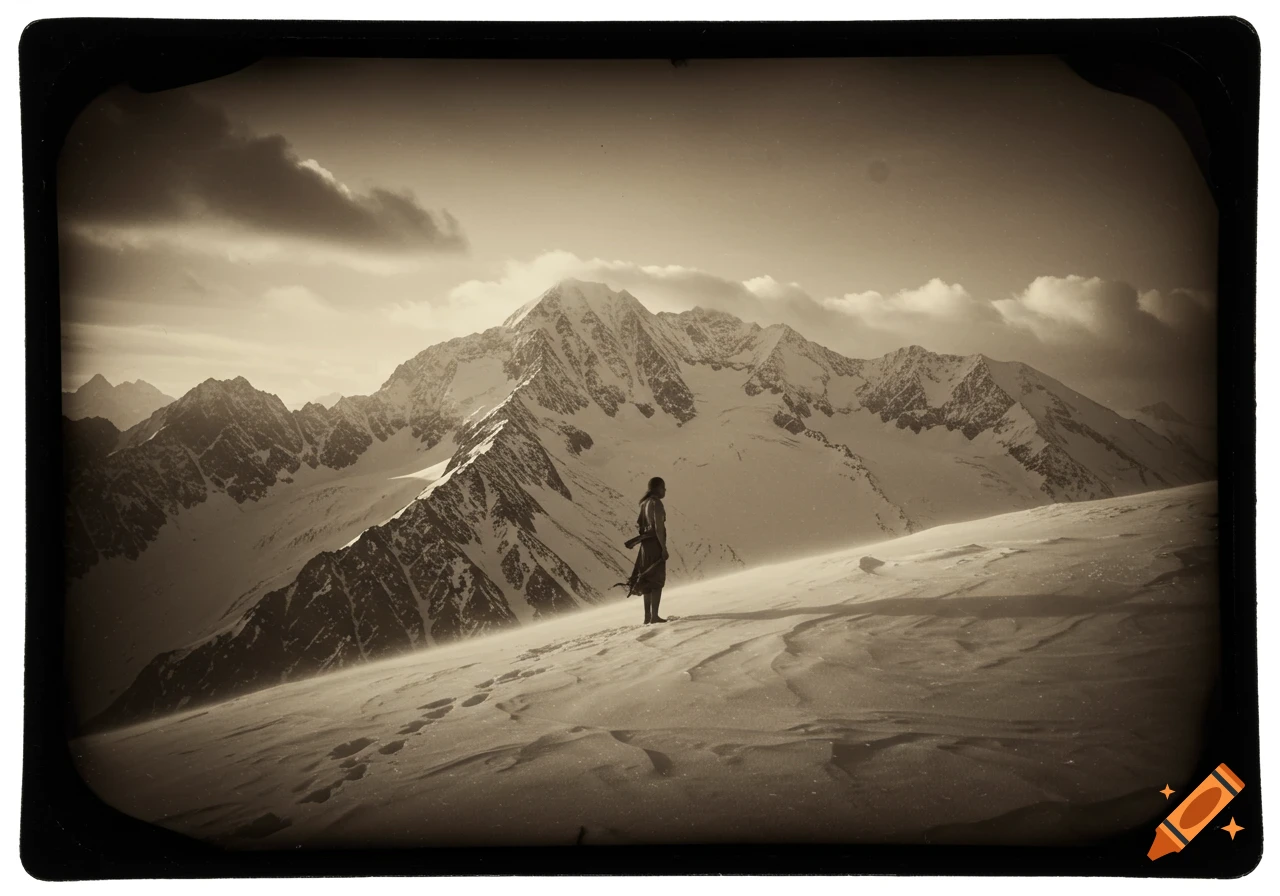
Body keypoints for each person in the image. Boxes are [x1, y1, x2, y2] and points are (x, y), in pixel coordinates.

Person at [632, 476, 669, 624]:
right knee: (657, 580)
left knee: (646, 580)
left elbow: (640, 525)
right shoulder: (656, 503)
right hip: (655, 545)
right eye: (663, 487)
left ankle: (647, 616)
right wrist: (664, 548)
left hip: (645, 546)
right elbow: (659, 528)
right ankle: (655, 616)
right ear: (657, 488)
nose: (665, 490)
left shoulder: (644, 504)